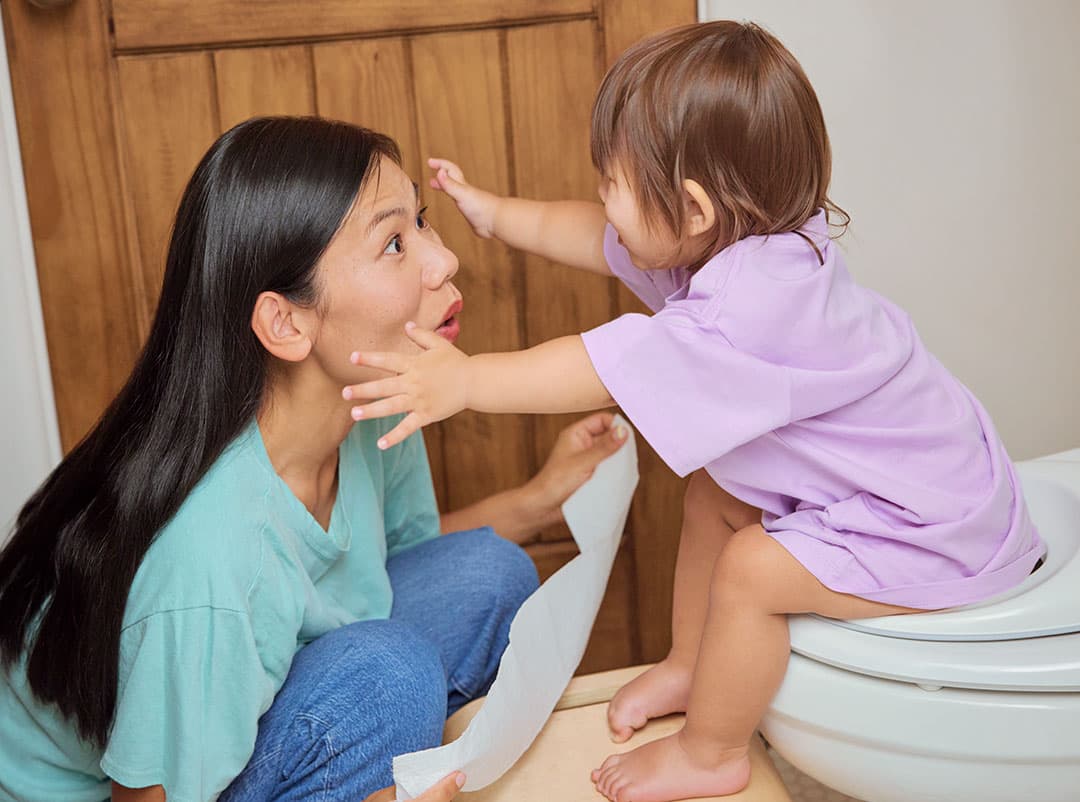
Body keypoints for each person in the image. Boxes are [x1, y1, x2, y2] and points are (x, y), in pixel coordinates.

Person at [340, 20, 1046, 802]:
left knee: (752, 571)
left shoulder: (742, 314)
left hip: (937, 528)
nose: (602, 200)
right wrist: (496, 212)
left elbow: (592, 366)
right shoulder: (747, 239)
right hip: (926, 481)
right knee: (715, 491)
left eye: (613, 182)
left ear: (694, 209)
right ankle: (689, 664)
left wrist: (467, 383)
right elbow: (590, 230)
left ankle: (713, 751)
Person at [0, 116, 627, 802]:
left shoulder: (373, 395)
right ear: (286, 323)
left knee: (489, 573)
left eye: (420, 220)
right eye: (394, 242)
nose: (443, 259)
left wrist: (537, 500)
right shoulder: (209, 563)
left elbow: (387, 562)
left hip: (267, 665)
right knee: (389, 678)